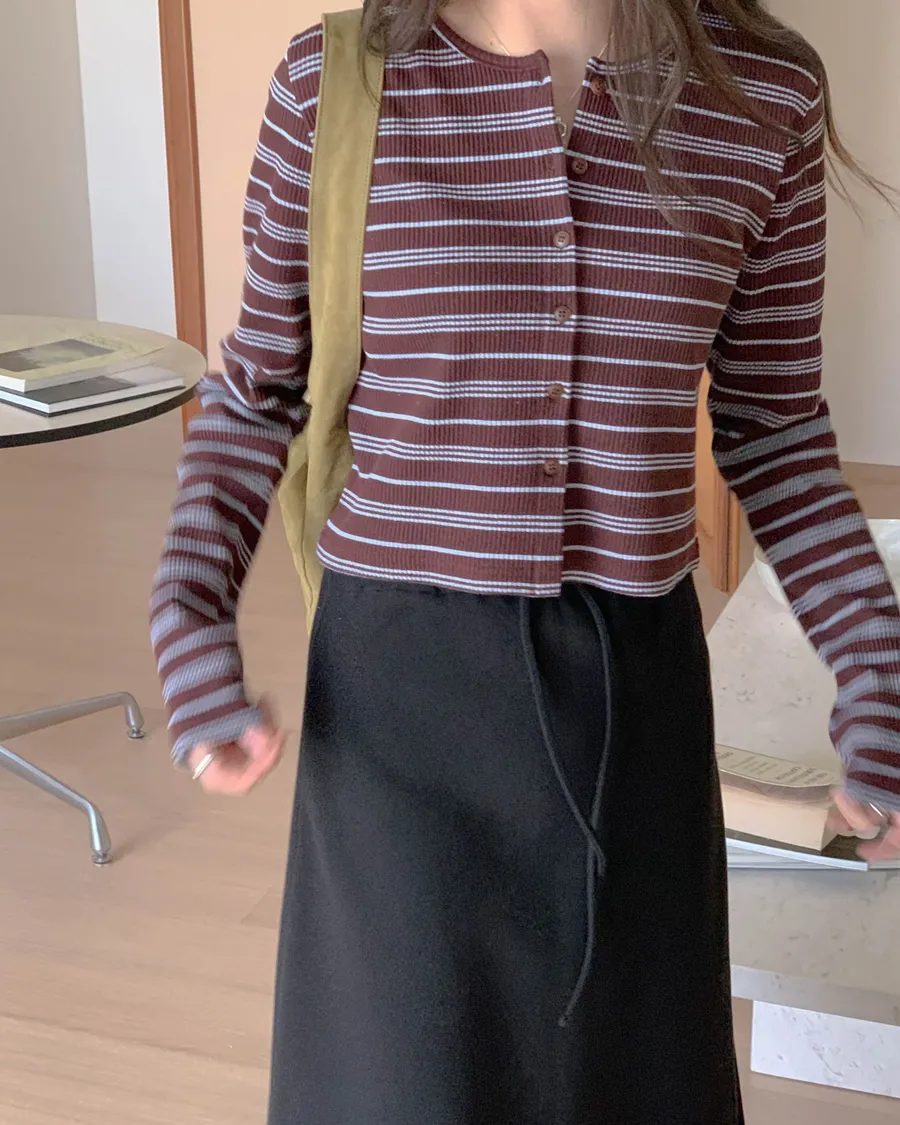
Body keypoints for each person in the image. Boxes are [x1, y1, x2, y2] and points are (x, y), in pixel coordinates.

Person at [150, 1, 900, 1121]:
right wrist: (189, 615)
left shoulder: (766, 97)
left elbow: (777, 429)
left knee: (631, 1078)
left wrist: (879, 673)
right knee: (403, 1083)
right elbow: (258, 392)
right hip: (399, 706)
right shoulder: (338, 83)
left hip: (633, 707)